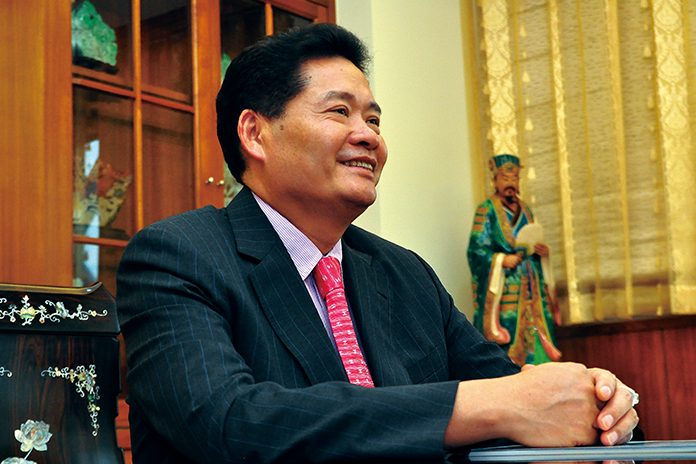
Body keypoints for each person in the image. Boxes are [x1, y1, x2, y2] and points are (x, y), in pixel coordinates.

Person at [116, 24, 639, 463]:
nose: (368, 136)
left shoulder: (404, 273)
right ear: (255, 134)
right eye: (338, 112)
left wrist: (599, 407)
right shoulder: (177, 256)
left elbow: (518, 397)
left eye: (373, 119)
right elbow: (232, 423)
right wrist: (490, 405)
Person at [467, 154, 561, 366]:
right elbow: (476, 250)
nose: (510, 183)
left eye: (514, 178)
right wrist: (501, 260)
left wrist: (542, 253)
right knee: (507, 348)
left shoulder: (526, 209)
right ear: (495, 181)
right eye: (505, 178)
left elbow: (533, 239)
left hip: (532, 286)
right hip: (506, 288)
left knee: (539, 339)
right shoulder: (486, 210)